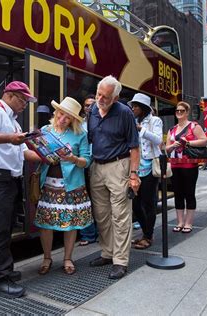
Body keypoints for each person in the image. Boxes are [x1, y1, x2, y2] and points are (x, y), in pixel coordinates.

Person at [0, 81, 41, 299]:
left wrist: (48, 157)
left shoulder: (14, 124)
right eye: (23, 100)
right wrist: (9, 138)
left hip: (9, 182)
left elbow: (24, 153)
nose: (24, 105)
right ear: (10, 95)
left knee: (6, 229)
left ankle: (3, 271)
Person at [87, 75, 140, 280]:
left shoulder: (124, 113)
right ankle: (107, 253)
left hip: (119, 165)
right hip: (97, 166)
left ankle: (120, 261)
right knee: (101, 215)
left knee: (120, 216)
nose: (100, 98)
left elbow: (134, 147)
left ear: (116, 98)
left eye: (106, 97)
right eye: (99, 94)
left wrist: (133, 175)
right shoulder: (92, 111)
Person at [34, 97, 93, 275]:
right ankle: (47, 258)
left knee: (70, 224)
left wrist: (72, 159)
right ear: (55, 112)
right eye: (60, 114)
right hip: (48, 184)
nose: (62, 119)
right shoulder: (45, 130)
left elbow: (87, 161)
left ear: (73, 120)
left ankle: (68, 258)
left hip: (72, 186)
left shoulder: (80, 134)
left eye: (67, 117)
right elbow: (37, 152)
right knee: (46, 224)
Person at [165, 101, 207, 234]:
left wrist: (187, 142)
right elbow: (166, 148)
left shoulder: (193, 126)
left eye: (182, 111)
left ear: (187, 112)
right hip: (175, 164)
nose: (179, 113)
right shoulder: (171, 129)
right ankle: (180, 222)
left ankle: (188, 223)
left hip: (189, 165)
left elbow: (204, 140)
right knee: (178, 194)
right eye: (177, 111)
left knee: (189, 193)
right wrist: (172, 146)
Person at [128, 93, 163, 249]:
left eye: (135, 106)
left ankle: (148, 237)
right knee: (135, 204)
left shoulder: (155, 120)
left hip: (150, 167)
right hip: (135, 167)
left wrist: (141, 129)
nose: (133, 108)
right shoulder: (132, 121)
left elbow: (158, 140)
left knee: (148, 203)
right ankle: (145, 232)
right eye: (132, 106)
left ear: (143, 108)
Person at [78, 94, 98, 246]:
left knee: (99, 200)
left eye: (92, 104)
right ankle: (88, 234)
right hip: (83, 165)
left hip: (98, 163)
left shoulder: (101, 120)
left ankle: (100, 232)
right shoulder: (79, 123)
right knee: (85, 199)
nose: (89, 108)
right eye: (86, 105)